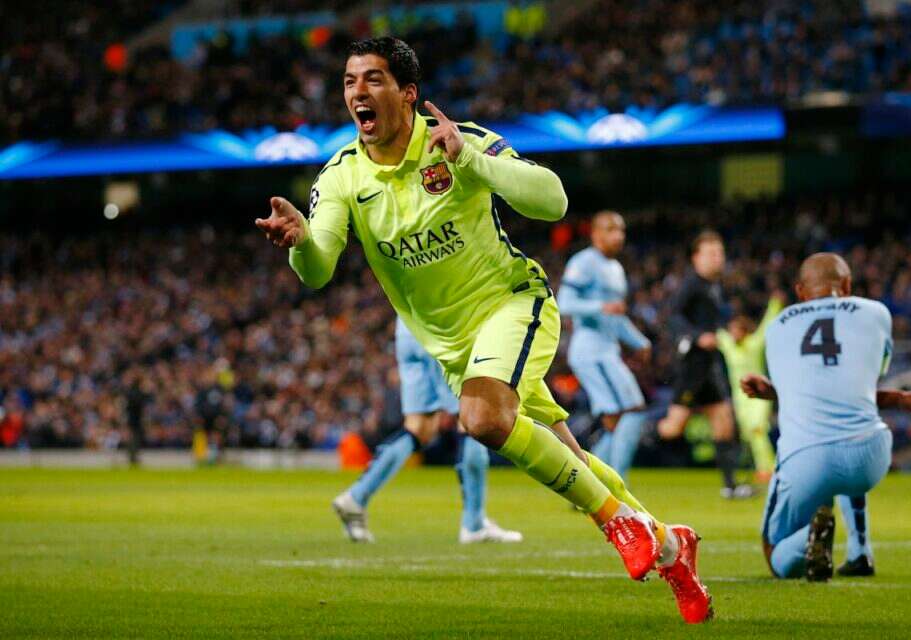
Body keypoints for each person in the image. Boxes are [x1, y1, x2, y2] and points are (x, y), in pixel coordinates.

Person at [255, 37, 712, 623]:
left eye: (372, 79)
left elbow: (553, 200)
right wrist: (299, 243)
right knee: (568, 455)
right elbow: (317, 270)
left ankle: (618, 522)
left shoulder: (456, 140)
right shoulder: (342, 176)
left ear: (408, 93)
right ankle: (670, 547)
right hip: (455, 350)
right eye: (349, 81)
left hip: (512, 306)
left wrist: (471, 161)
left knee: (483, 418)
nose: (357, 92)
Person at [741, 253, 911, 581]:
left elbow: (810, 388)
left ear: (800, 291)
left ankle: (810, 537)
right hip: (870, 454)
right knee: (850, 427)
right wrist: (900, 399)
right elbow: (854, 388)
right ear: (846, 285)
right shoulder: (876, 313)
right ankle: (860, 551)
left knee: (774, 553)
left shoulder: (778, 326)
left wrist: (771, 392)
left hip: (807, 459)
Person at [332, 317, 523, 544]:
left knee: (419, 427)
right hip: (441, 325)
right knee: (472, 416)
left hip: (407, 329)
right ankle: (474, 524)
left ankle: (356, 497)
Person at [658, 231, 753, 499]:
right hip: (692, 367)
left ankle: (730, 486)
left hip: (708, 365)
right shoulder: (691, 284)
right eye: (711, 253)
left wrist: (726, 331)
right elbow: (672, 316)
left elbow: (709, 321)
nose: (717, 258)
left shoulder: (714, 286)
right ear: (696, 258)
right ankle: (631, 428)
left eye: (719, 253)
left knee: (724, 420)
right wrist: (697, 336)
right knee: (672, 428)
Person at [558, 211, 652, 481]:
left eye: (621, 230)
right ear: (596, 234)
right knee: (632, 411)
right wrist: (600, 306)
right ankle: (616, 484)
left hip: (607, 350)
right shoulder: (584, 262)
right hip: (591, 351)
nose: (618, 236)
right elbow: (564, 302)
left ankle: (588, 485)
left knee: (615, 422)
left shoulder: (616, 269)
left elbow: (616, 317)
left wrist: (639, 341)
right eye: (611, 229)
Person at [716, 294, 784, 483]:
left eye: (736, 330)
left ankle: (767, 468)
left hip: (758, 395)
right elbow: (715, 331)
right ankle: (763, 466)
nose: (733, 333)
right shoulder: (729, 347)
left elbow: (767, 325)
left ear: (744, 331)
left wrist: (775, 304)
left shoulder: (754, 344)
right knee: (750, 434)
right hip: (740, 397)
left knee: (757, 428)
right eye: (731, 330)